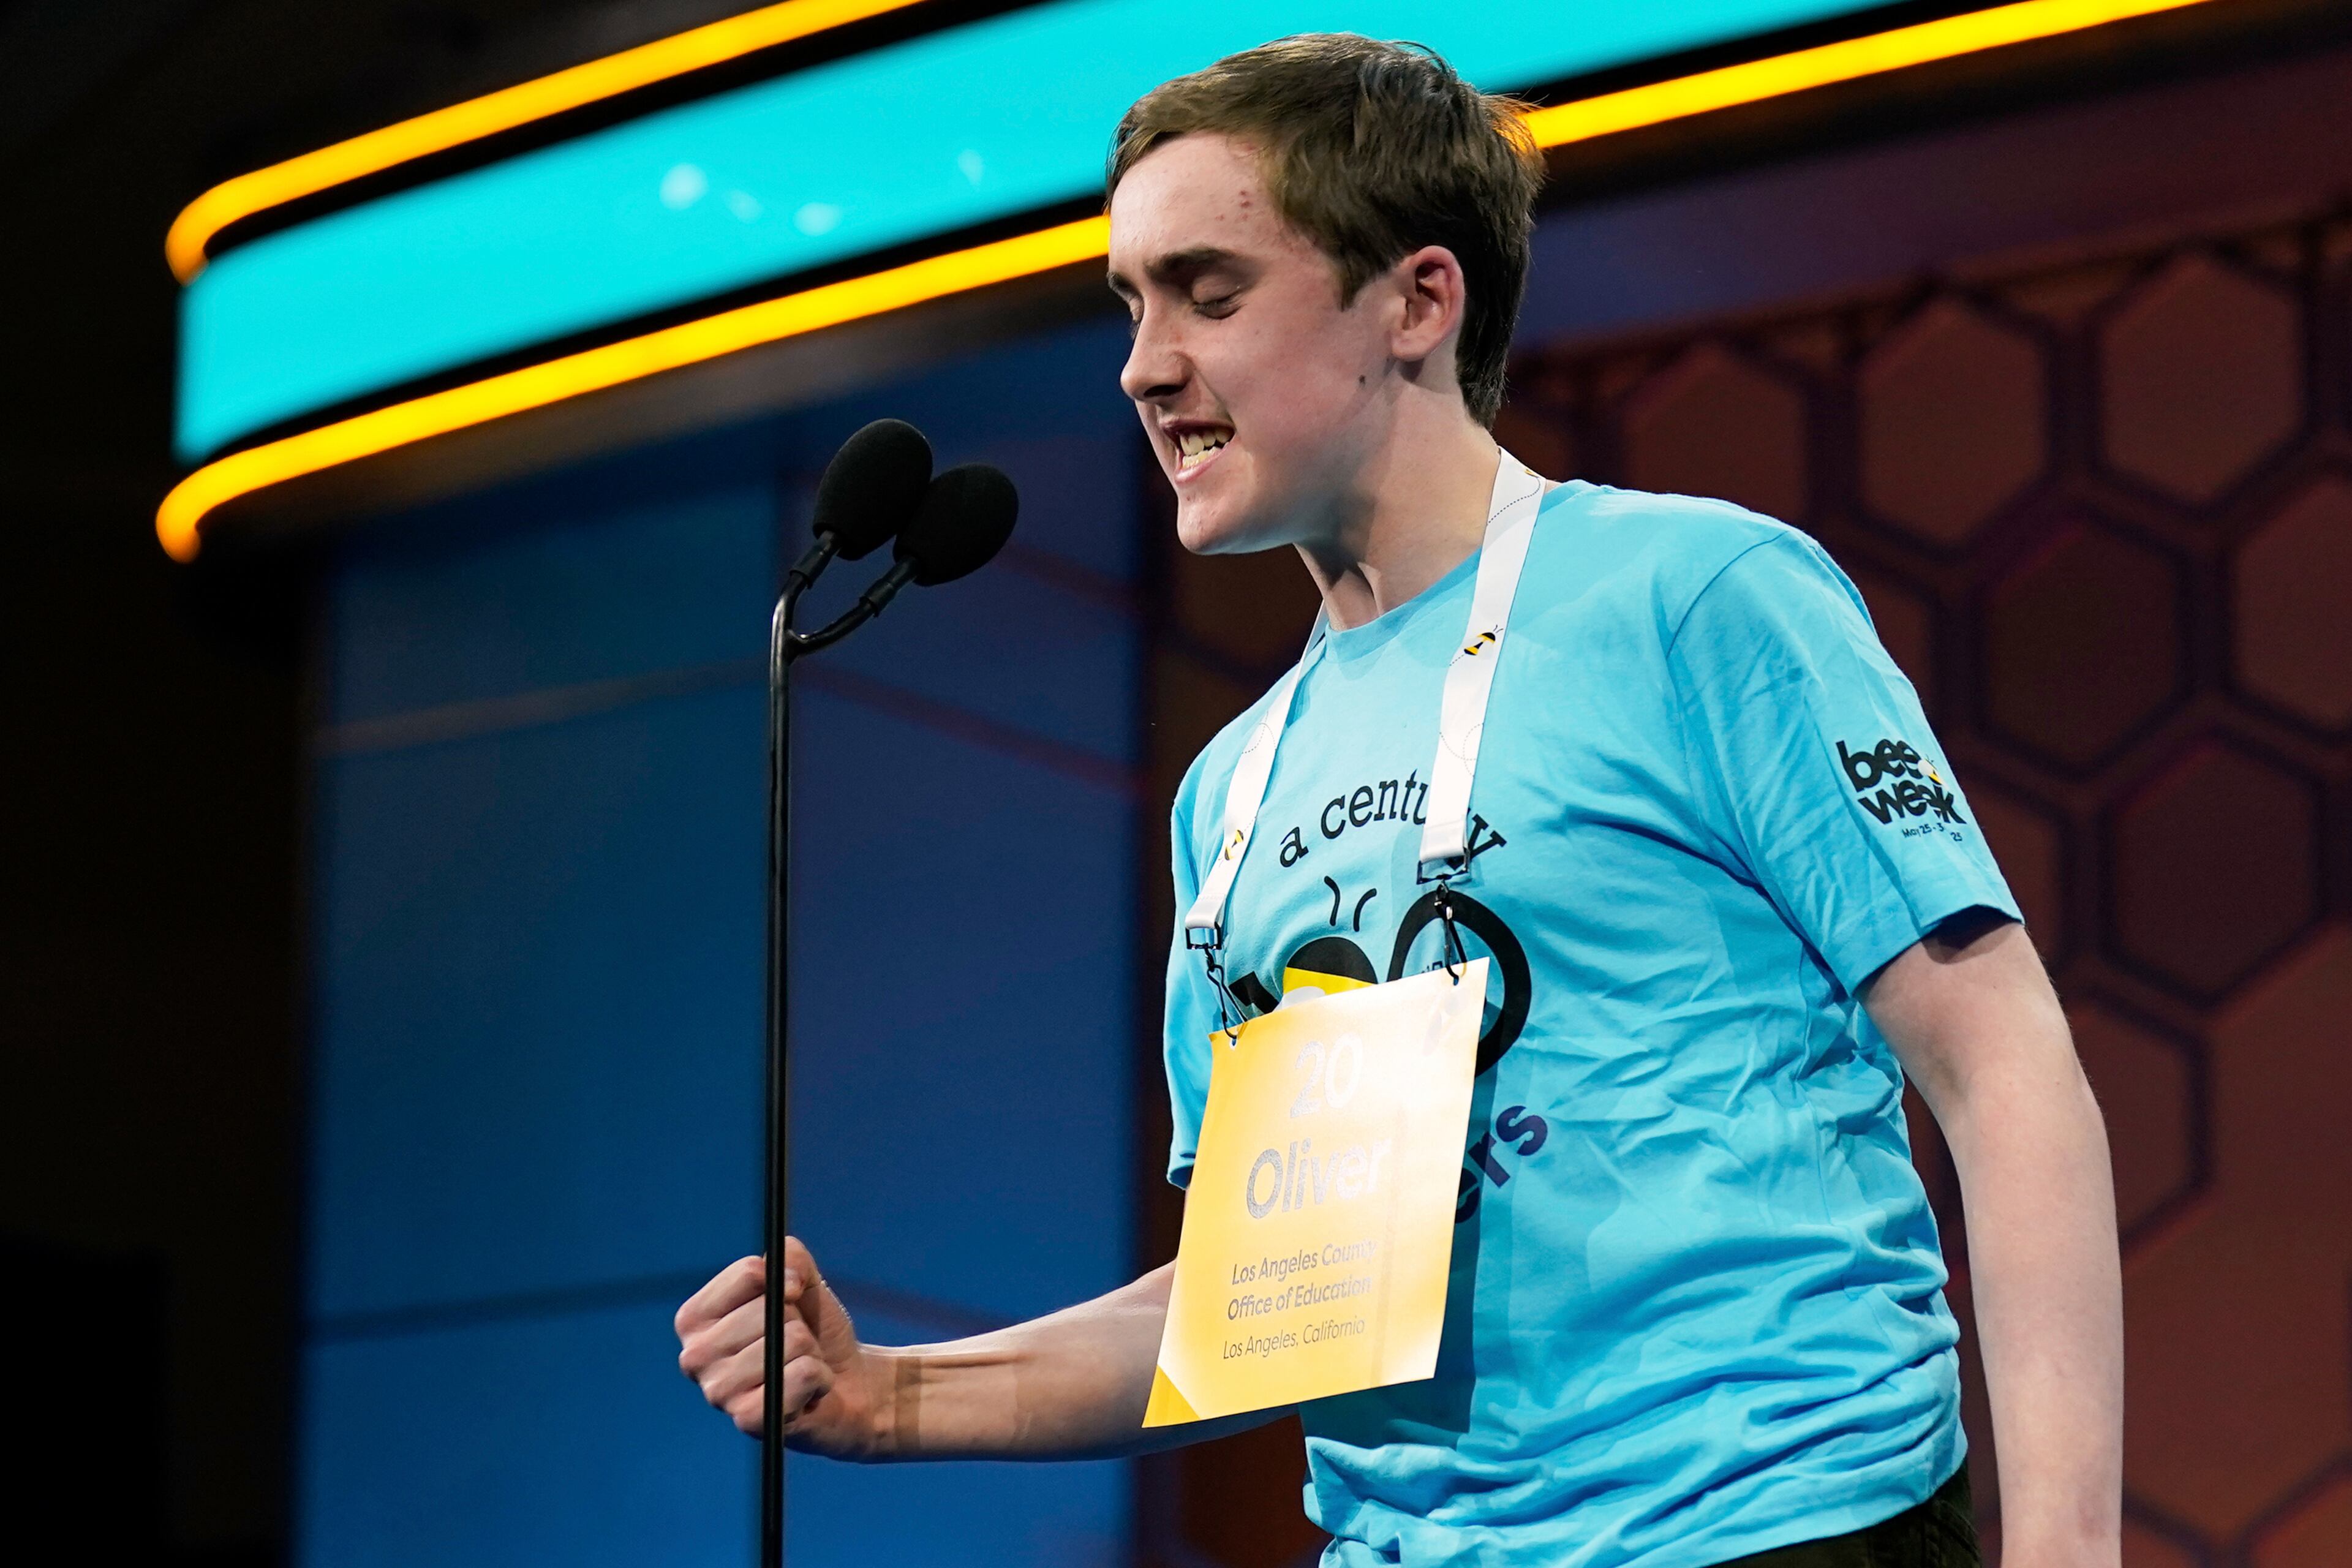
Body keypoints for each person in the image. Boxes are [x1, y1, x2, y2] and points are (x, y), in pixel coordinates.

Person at [677, 34, 2122, 1568]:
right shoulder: (1228, 794)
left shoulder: (1696, 596)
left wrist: (2068, 1550)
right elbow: (1263, 1295)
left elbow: (2003, 1066)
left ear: (1418, 301)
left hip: (1774, 1525)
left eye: (1209, 291)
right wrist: (891, 1390)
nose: (1144, 361)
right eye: (1131, 304)